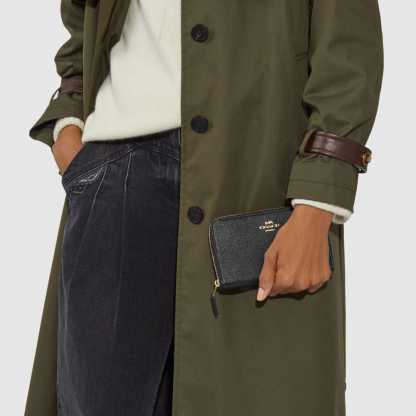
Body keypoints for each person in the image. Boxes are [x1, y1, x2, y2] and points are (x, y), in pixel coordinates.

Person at [25, 1, 383, 415]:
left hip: (258, 177)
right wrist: (68, 119)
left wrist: (318, 202)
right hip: (115, 176)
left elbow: (348, 46)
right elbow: (81, 22)